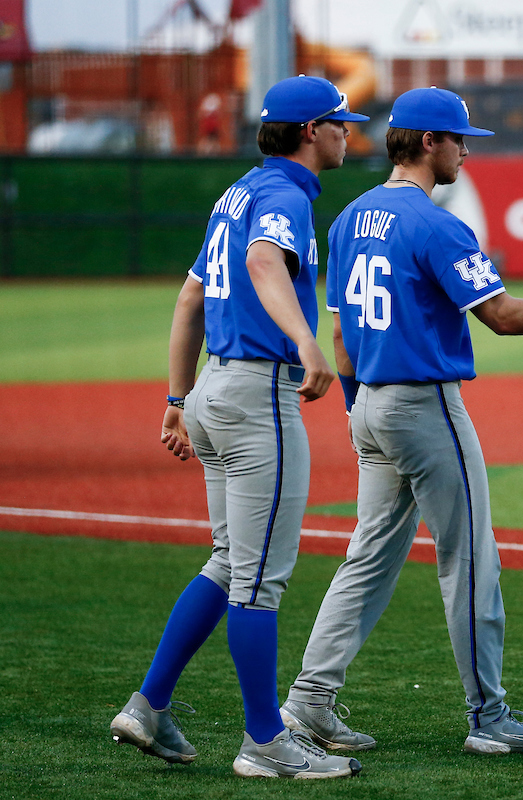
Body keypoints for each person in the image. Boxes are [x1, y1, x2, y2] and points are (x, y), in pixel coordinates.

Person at [278, 87, 523, 756]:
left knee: (367, 558)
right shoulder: (435, 224)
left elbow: (344, 332)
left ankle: (309, 704)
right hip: (423, 404)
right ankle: (488, 718)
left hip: (373, 402)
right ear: (429, 142)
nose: (468, 150)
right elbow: (501, 316)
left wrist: (359, 411)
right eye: (460, 139)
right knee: (469, 559)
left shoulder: (350, 216)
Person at [109, 75, 369, 780]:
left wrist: (176, 396)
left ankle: (148, 704)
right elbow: (261, 263)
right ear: (311, 130)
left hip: (214, 392)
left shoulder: (239, 193)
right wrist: (307, 342)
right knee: (258, 581)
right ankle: (264, 742)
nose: (349, 133)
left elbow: (192, 294)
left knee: (228, 565)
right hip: (259, 397)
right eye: (341, 124)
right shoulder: (282, 195)